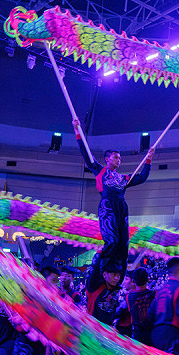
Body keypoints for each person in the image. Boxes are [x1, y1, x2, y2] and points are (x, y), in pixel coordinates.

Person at [73, 117, 154, 282]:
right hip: (108, 205)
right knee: (111, 240)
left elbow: (142, 177)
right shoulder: (100, 171)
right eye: (116, 157)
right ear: (107, 159)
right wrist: (77, 130)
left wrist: (149, 159)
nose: (119, 159)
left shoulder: (124, 178)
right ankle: (102, 271)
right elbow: (86, 154)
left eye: (120, 158)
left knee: (123, 243)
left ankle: (119, 276)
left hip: (121, 207)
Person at [34, 268, 80, 355]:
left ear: (72, 278)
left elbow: (77, 317)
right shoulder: (55, 292)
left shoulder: (75, 295)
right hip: (54, 335)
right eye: (63, 275)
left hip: (65, 338)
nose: (64, 278)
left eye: (68, 276)